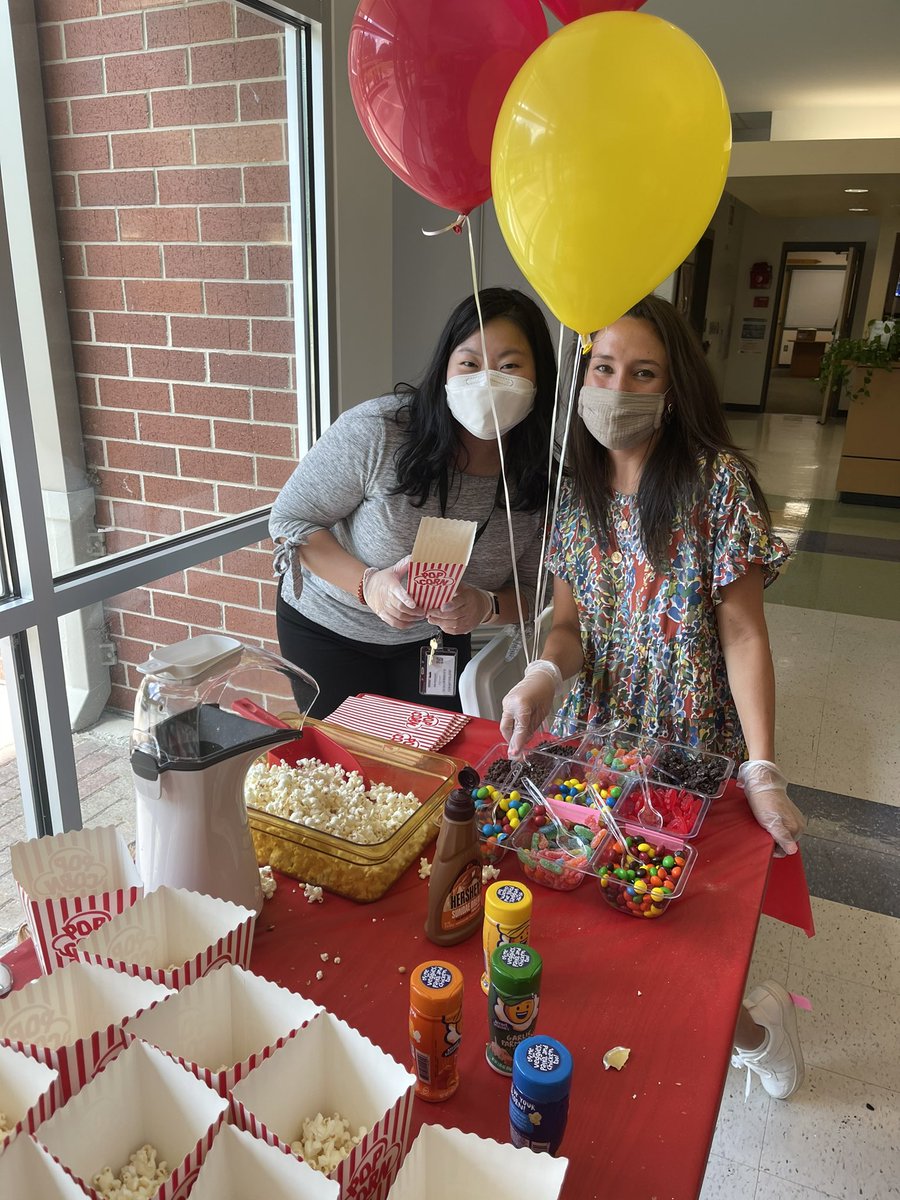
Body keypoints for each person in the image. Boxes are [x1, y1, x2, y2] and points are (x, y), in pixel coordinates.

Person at [499, 294, 806, 1099]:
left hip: (689, 749)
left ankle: (758, 1034)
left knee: (684, 931)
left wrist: (763, 767)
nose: (618, 386)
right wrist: (542, 675)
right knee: (596, 909)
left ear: (674, 388)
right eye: (603, 367)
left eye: (643, 372)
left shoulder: (715, 487)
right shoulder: (575, 492)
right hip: (599, 744)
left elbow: (743, 636)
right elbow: (568, 627)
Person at [270, 287, 556, 719]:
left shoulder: (540, 478)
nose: (487, 380)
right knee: (351, 770)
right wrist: (369, 584)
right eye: (469, 363)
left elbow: (538, 592)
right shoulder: (380, 432)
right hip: (330, 630)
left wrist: (486, 605)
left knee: (431, 759)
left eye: (510, 365)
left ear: (539, 376)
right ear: (445, 369)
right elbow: (290, 520)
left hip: (435, 644)